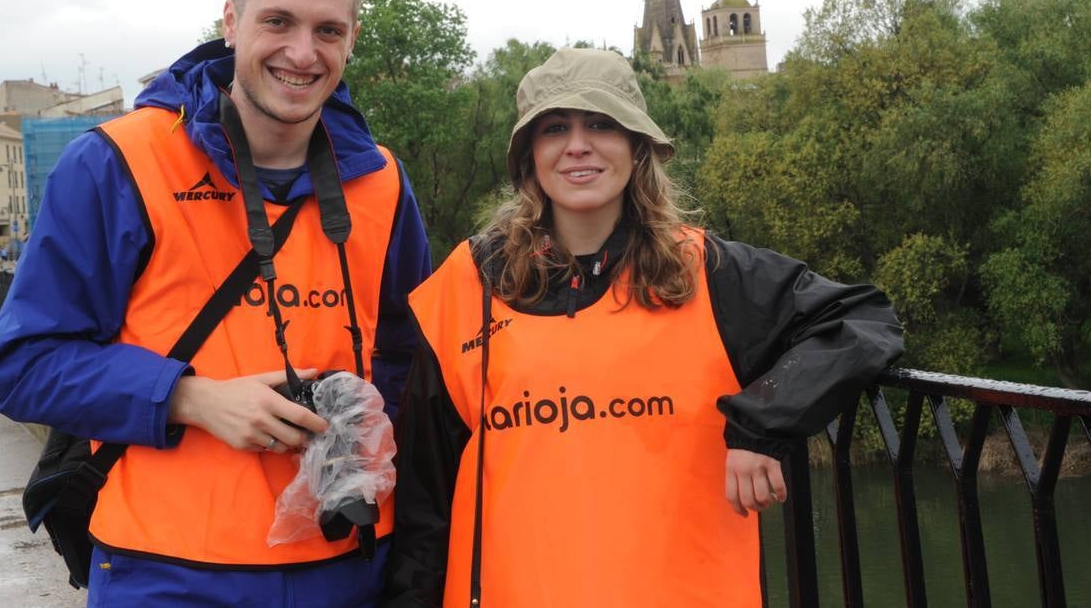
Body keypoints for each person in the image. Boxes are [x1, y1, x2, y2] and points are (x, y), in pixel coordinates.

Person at [0, 0, 431, 606]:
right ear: (231, 21)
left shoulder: (382, 182)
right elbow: (23, 366)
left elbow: (408, 362)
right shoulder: (118, 162)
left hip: (350, 564)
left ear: (352, 38)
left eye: (328, 30)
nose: (302, 52)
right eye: (277, 21)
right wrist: (191, 398)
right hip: (168, 572)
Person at [381, 48, 904, 607]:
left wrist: (763, 425)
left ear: (636, 146)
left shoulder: (708, 272)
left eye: (602, 124)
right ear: (529, 156)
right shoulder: (471, 283)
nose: (578, 144)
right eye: (555, 127)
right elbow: (423, 502)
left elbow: (862, 320)